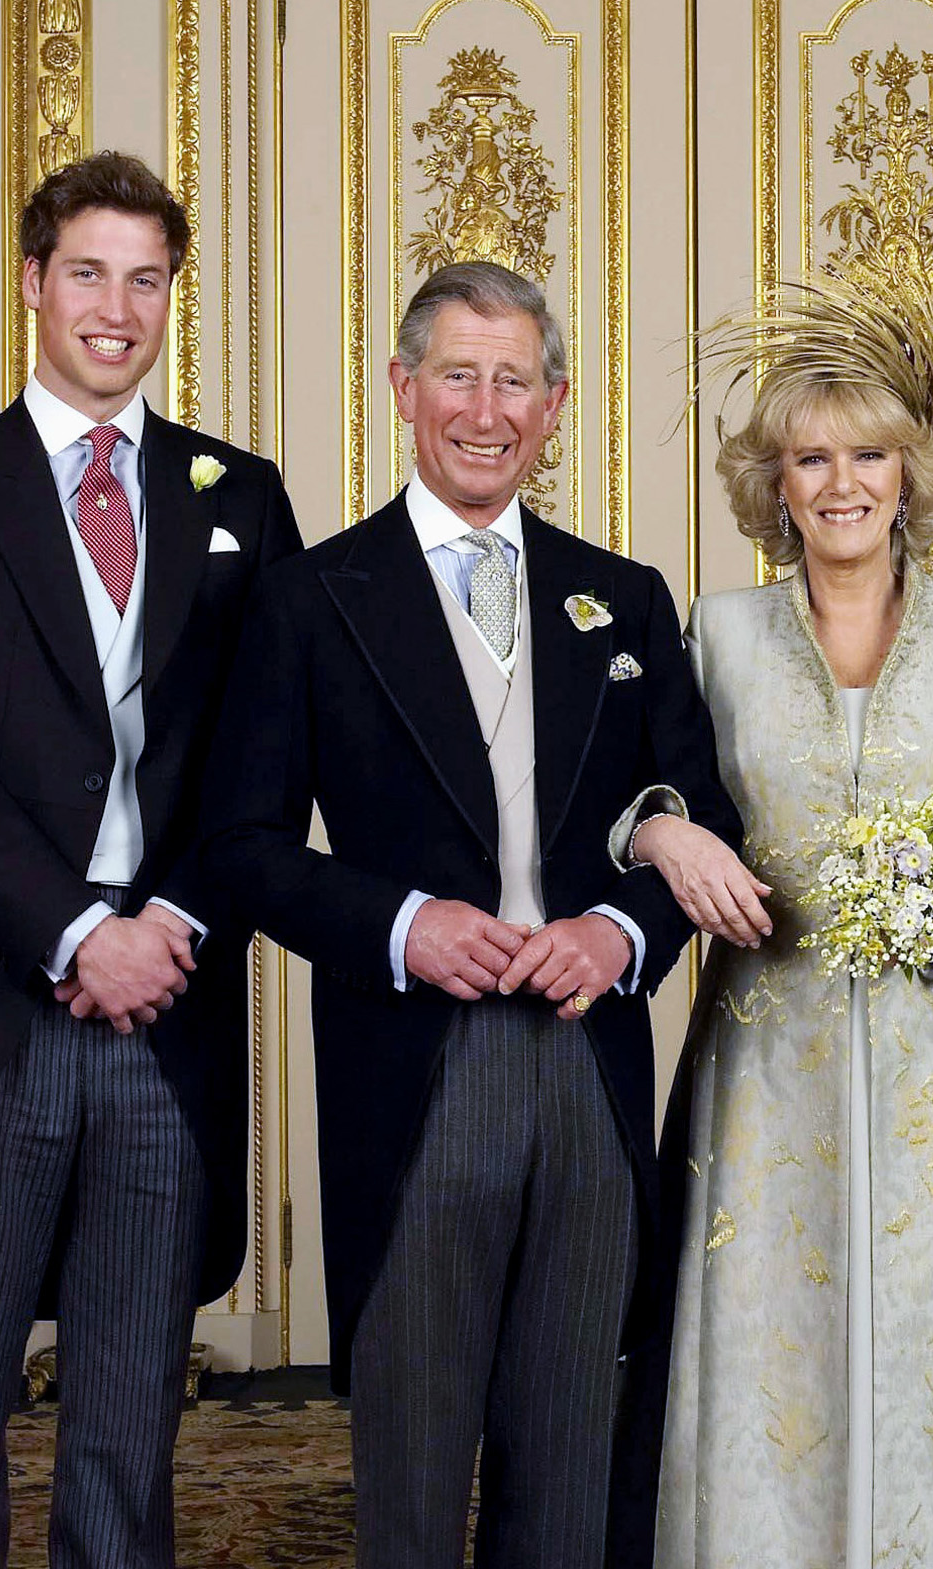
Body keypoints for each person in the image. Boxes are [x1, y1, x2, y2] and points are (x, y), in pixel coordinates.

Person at [203, 260, 740, 1569]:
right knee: (414, 1470)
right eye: (458, 374)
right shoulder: (313, 599)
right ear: (403, 388)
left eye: (515, 380)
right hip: (414, 1075)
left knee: (569, 1466)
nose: (485, 407)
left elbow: (698, 815)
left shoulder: (625, 596)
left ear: (555, 404)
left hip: (587, 1066)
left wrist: (619, 937)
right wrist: (401, 925)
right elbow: (243, 847)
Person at [0, 150, 301, 1567]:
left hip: (169, 1003)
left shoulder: (243, 494)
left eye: (149, 278)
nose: (119, 306)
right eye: (92, 272)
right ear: (37, 282)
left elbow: (262, 760)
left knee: (127, 1423)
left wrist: (162, 921)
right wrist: (73, 934)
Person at [625, 278, 933, 1568]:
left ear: (910, 474)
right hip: (770, 1061)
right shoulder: (718, 638)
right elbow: (657, 804)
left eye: (868, 455)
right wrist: (661, 826)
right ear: (771, 482)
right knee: (772, 1341)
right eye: (809, 459)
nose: (840, 484)